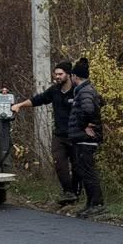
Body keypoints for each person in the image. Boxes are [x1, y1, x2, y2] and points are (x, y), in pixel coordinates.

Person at [12, 60, 78, 204]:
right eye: (56, 74)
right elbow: (38, 99)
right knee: (59, 163)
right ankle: (68, 192)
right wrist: (20, 105)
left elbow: (92, 105)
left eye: (60, 74)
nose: (57, 77)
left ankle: (76, 194)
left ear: (68, 74)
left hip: (75, 135)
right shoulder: (54, 91)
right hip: (59, 135)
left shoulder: (77, 90)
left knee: (77, 166)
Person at [65, 57, 105, 218]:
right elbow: (101, 102)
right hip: (82, 139)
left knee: (88, 172)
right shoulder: (86, 90)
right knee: (84, 171)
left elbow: (89, 110)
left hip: (85, 139)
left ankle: (97, 204)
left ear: (75, 76)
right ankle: (90, 203)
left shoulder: (85, 91)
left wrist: (85, 125)